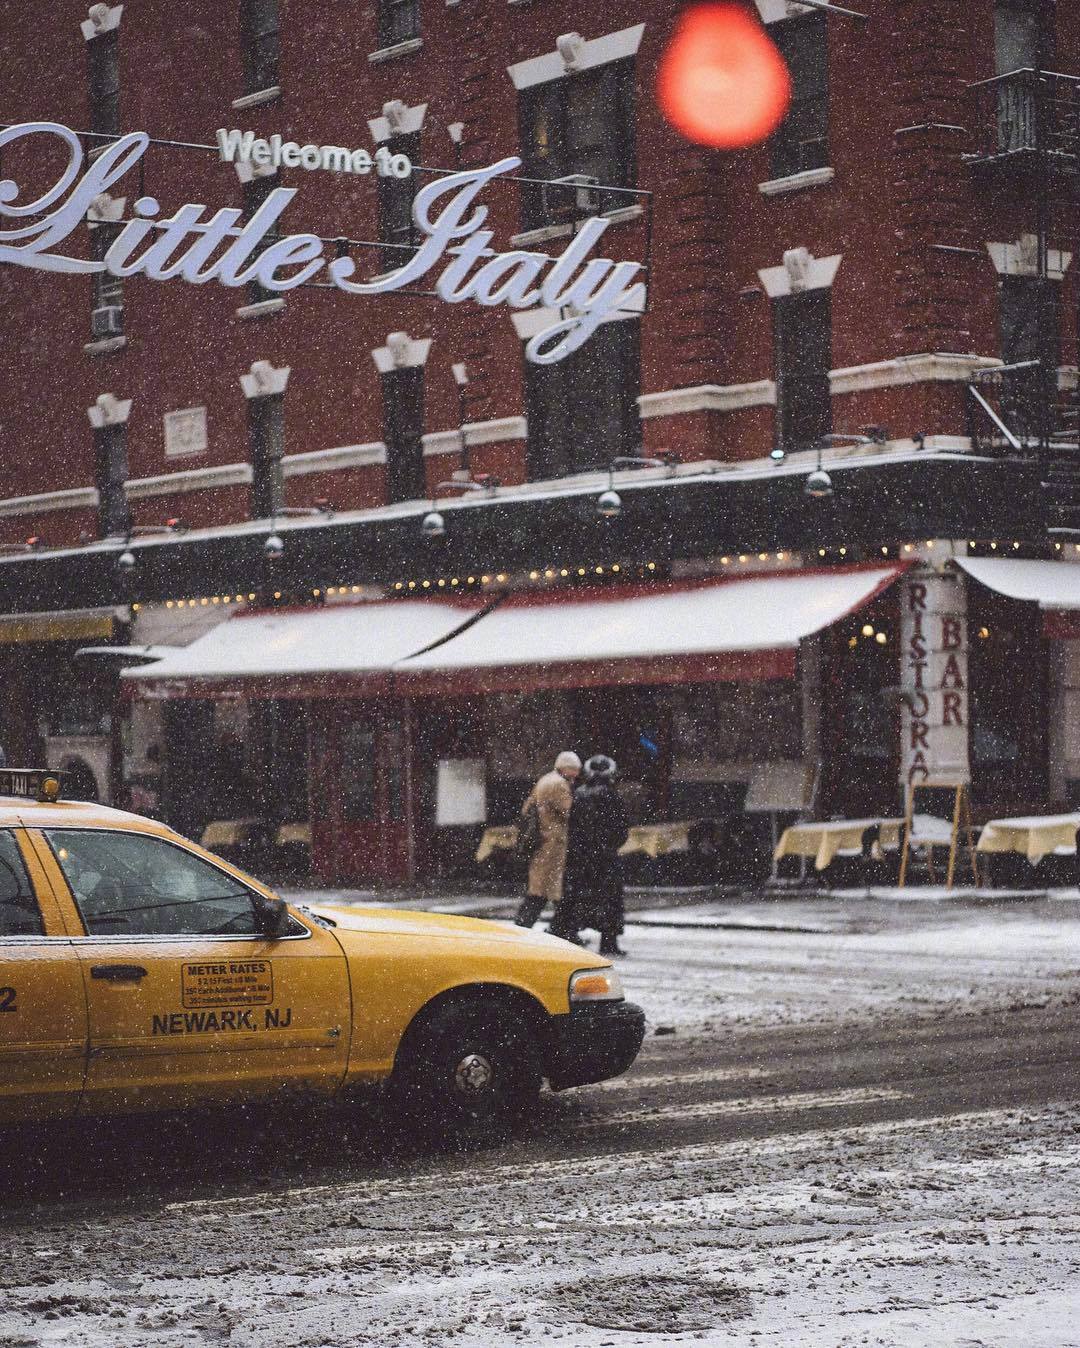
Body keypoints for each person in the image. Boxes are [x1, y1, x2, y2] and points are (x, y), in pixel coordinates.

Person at [560, 755, 631, 956]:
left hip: (581, 858)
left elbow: (572, 827)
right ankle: (608, 943)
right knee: (610, 901)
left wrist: (579, 849)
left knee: (578, 898)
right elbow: (622, 829)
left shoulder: (579, 795)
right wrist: (609, 846)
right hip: (606, 858)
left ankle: (571, 935)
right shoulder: (613, 796)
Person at [514, 751, 581, 930]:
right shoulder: (559, 785)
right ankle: (552, 928)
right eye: (574, 770)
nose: (577, 775)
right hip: (553, 843)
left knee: (541, 889)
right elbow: (570, 812)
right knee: (545, 891)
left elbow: (527, 807)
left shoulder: (545, 780)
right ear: (566, 768)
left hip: (542, 841)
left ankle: (531, 926)